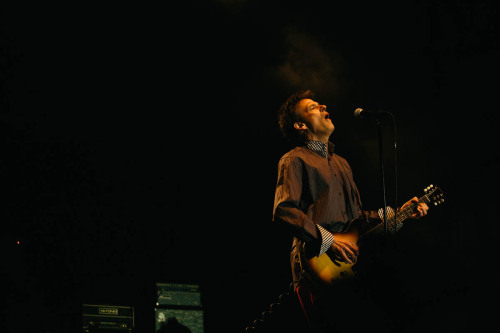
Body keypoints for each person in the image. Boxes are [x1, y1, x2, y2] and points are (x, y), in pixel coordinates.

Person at [272, 90, 429, 332]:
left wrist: (401, 213)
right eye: (313, 107)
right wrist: (329, 240)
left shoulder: (342, 163)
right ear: (300, 124)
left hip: (346, 266)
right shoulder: (294, 160)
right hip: (315, 264)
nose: (324, 106)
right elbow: (284, 211)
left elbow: (358, 218)